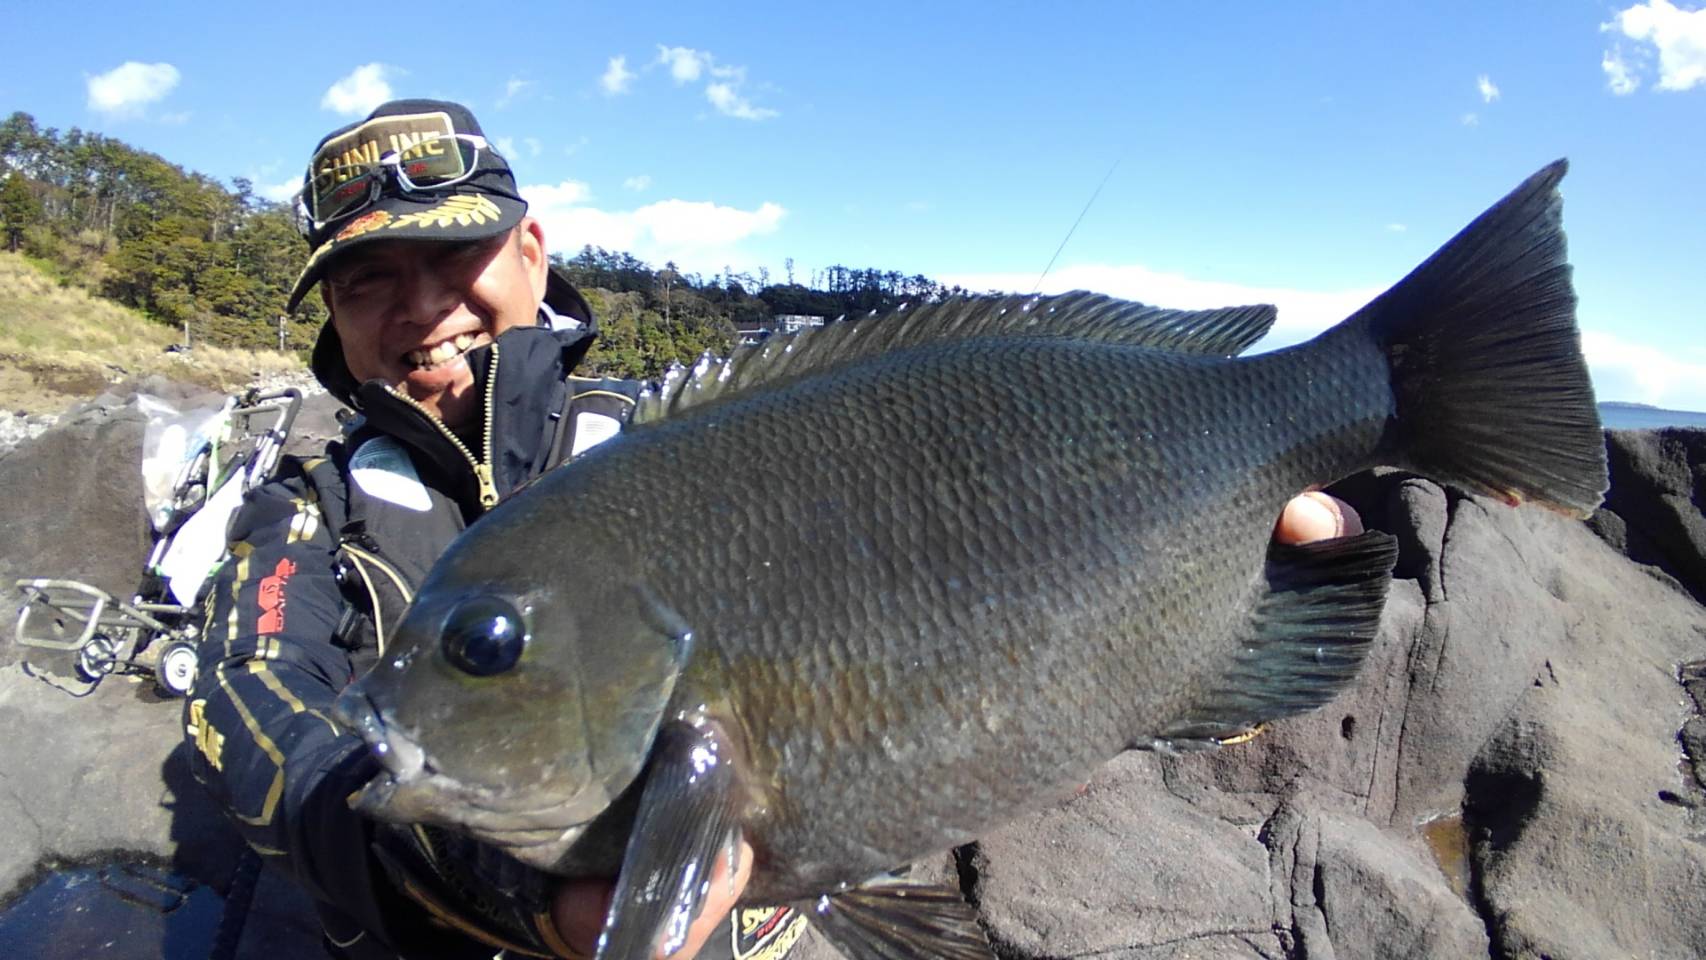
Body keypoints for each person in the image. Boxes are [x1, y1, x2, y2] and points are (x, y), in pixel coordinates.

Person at [182, 97, 1362, 960]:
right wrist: (486, 874)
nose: (422, 305)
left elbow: (950, 567)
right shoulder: (298, 500)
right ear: (332, 317)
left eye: (453, 253)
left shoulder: (673, 432)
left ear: (530, 252)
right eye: (368, 280)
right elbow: (256, 712)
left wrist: (1177, 554)